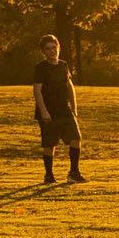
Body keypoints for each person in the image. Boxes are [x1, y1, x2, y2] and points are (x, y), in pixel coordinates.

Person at [32, 35, 84, 184]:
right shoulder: (41, 68)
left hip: (64, 110)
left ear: (58, 48)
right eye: (48, 49)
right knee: (49, 144)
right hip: (48, 112)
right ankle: (49, 175)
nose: (52, 51)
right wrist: (43, 111)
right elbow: (37, 90)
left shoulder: (63, 65)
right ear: (43, 51)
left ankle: (74, 173)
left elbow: (69, 86)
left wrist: (74, 107)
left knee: (76, 139)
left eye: (54, 47)